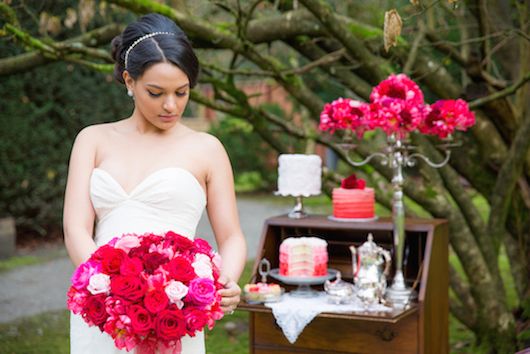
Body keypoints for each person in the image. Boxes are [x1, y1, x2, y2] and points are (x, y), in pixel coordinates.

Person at [63, 13, 247, 353]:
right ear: (129, 81)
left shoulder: (207, 149)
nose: (170, 105)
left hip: (176, 310)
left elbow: (232, 236)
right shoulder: (92, 140)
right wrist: (109, 288)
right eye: (156, 92)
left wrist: (226, 283)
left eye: (182, 92)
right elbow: (76, 229)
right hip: (106, 309)